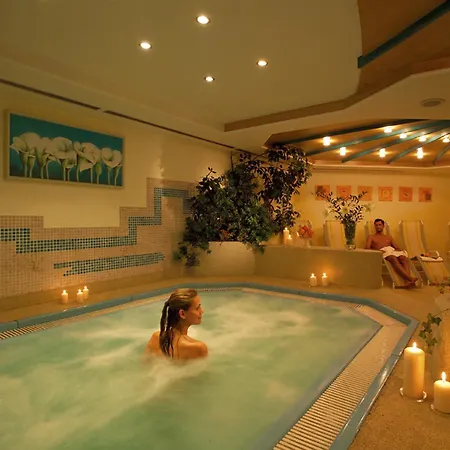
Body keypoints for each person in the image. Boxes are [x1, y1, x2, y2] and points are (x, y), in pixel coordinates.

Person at [146, 288, 208, 360]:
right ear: (182, 314)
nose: (202, 311)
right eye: (197, 308)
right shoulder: (198, 348)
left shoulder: (156, 337)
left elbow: (146, 363)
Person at [365, 218, 418, 287]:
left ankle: (407, 281)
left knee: (403, 258)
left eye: (380, 225)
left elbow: (397, 247)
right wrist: (378, 251)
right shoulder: (371, 237)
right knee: (393, 258)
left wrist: (397, 250)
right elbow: (367, 248)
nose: (378, 226)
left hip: (391, 251)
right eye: (376, 225)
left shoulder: (389, 237)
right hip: (382, 253)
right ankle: (409, 278)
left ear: (383, 226)